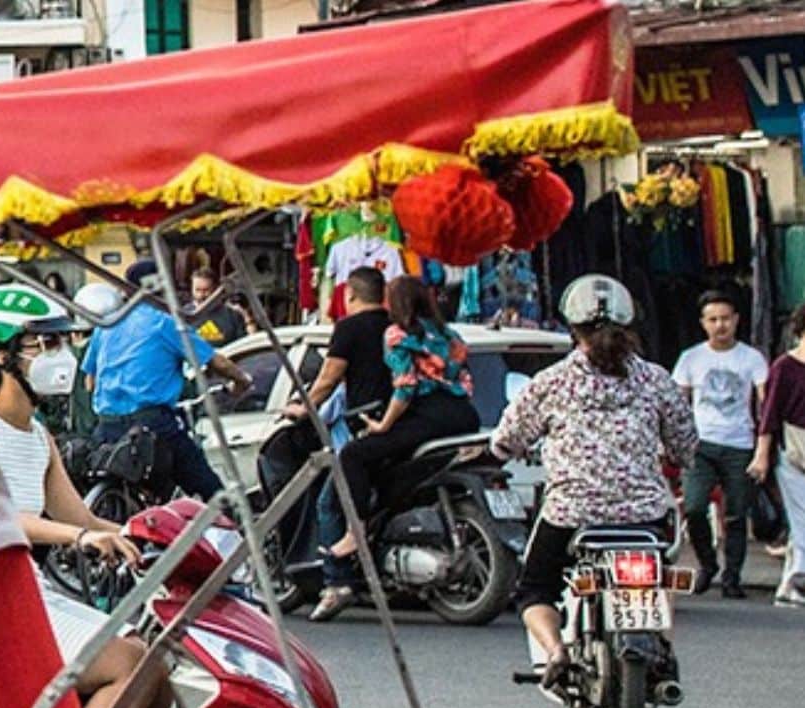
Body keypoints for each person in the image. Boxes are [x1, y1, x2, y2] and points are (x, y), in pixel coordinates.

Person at [0, 283, 155, 708]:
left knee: (151, 658)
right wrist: (80, 537)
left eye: (64, 341)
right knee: (126, 664)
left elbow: (82, 517)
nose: (63, 355)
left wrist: (156, 533)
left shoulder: (39, 436)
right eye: (47, 343)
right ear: (2, 355)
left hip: (25, 587)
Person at [493, 277, 694, 682]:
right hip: (645, 517)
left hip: (572, 514)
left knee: (534, 590)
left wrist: (500, 452)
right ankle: (658, 646)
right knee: (660, 577)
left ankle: (555, 652)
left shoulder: (552, 382)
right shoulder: (656, 380)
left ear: (572, 328)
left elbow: (507, 440)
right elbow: (685, 444)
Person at [314, 274, 480, 620]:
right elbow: (464, 381)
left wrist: (382, 425)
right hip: (465, 416)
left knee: (354, 455)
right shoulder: (451, 335)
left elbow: (404, 388)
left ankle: (353, 534)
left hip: (427, 417)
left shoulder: (398, 335)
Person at [83, 260, 252, 503]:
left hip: (107, 427)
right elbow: (217, 362)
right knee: (210, 489)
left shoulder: (106, 325)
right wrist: (242, 381)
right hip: (152, 425)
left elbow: (90, 381)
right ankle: (231, 527)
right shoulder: (164, 322)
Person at [255, 267, 390, 569]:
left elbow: (327, 379)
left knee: (327, 503)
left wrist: (303, 408)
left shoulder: (350, 328)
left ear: (349, 294)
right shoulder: (397, 327)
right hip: (396, 422)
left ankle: (334, 577)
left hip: (362, 426)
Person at [673, 289, 768, 599]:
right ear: (703, 323)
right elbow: (677, 402)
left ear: (737, 320)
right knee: (695, 507)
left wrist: (763, 448)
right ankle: (707, 564)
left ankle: (732, 577)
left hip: (740, 444)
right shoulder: (691, 358)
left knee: (737, 514)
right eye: (713, 319)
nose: (720, 325)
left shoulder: (752, 358)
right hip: (700, 444)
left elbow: (764, 402)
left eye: (725, 319)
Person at [750, 303, 805, 607]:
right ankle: (798, 582)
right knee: (801, 522)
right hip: (793, 452)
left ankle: (789, 585)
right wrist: (762, 455)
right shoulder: (784, 367)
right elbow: (768, 416)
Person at [190, 265, 248, 346]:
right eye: (197, 290)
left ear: (215, 289)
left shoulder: (232, 314)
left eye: (206, 290)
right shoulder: (184, 317)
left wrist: (247, 317)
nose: (201, 295)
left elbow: (245, 343)